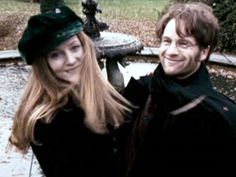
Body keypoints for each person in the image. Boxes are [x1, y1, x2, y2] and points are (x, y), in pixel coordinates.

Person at [8, 5, 133, 177]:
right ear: (44, 65)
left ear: (85, 47)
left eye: (74, 47)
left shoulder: (93, 93)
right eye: (55, 54)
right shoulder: (49, 122)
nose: (71, 60)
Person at [123, 2, 236, 177]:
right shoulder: (144, 88)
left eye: (183, 44)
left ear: (204, 52)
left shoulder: (218, 117)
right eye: (167, 41)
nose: (171, 51)